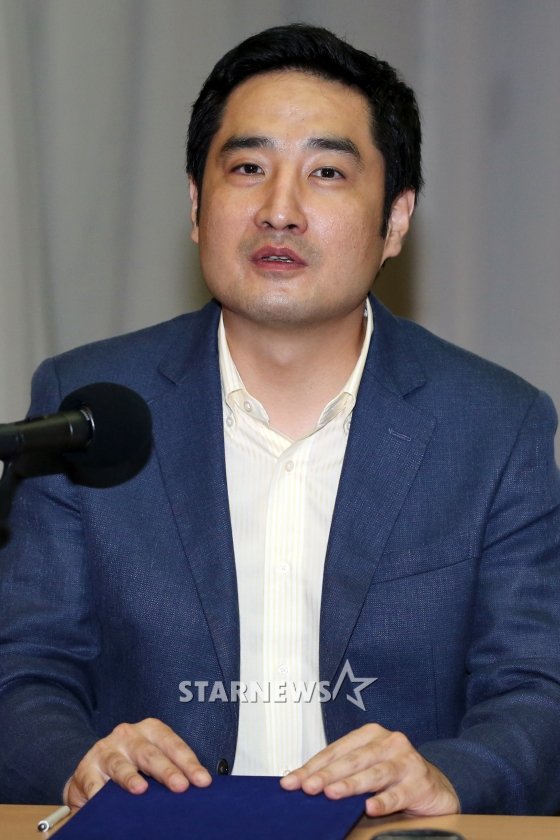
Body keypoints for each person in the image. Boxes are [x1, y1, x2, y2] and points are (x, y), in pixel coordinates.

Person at [1, 23, 559, 818]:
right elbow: (25, 668)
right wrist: (80, 760)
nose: (279, 210)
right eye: (248, 168)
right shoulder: (90, 408)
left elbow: (536, 687)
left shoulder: (494, 427)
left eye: (326, 172)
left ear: (396, 219)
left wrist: (448, 775)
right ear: (197, 206)